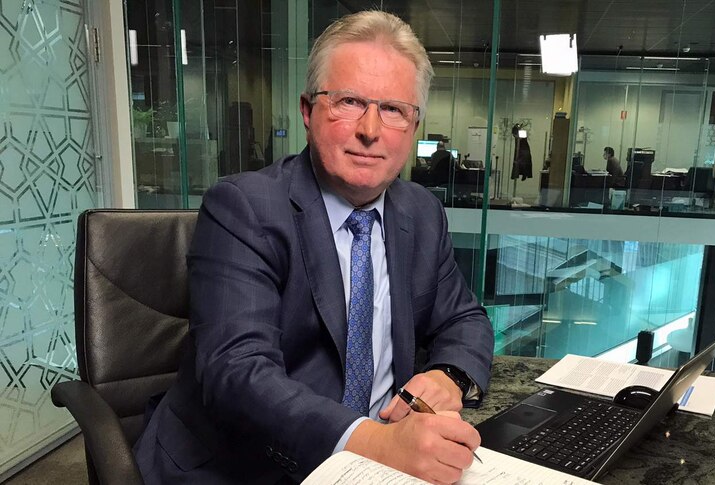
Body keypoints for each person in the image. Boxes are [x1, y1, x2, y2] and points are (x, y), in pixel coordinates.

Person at [133, 10, 494, 485]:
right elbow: (237, 374)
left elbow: (464, 319)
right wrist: (376, 443)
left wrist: (450, 376)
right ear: (308, 111)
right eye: (349, 101)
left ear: (413, 125)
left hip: (380, 457)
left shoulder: (420, 212)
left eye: (393, 109)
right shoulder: (242, 208)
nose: (371, 129)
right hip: (248, 463)